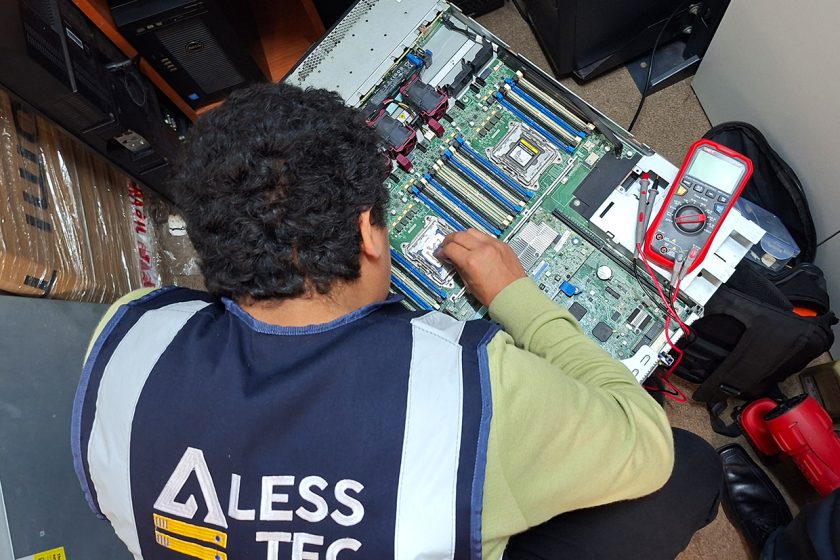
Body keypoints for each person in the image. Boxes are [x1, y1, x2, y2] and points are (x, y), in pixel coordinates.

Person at [72, 82, 721, 559]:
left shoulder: (131, 337)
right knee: (687, 471)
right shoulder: (470, 392)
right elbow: (644, 445)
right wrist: (517, 296)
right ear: (368, 232)